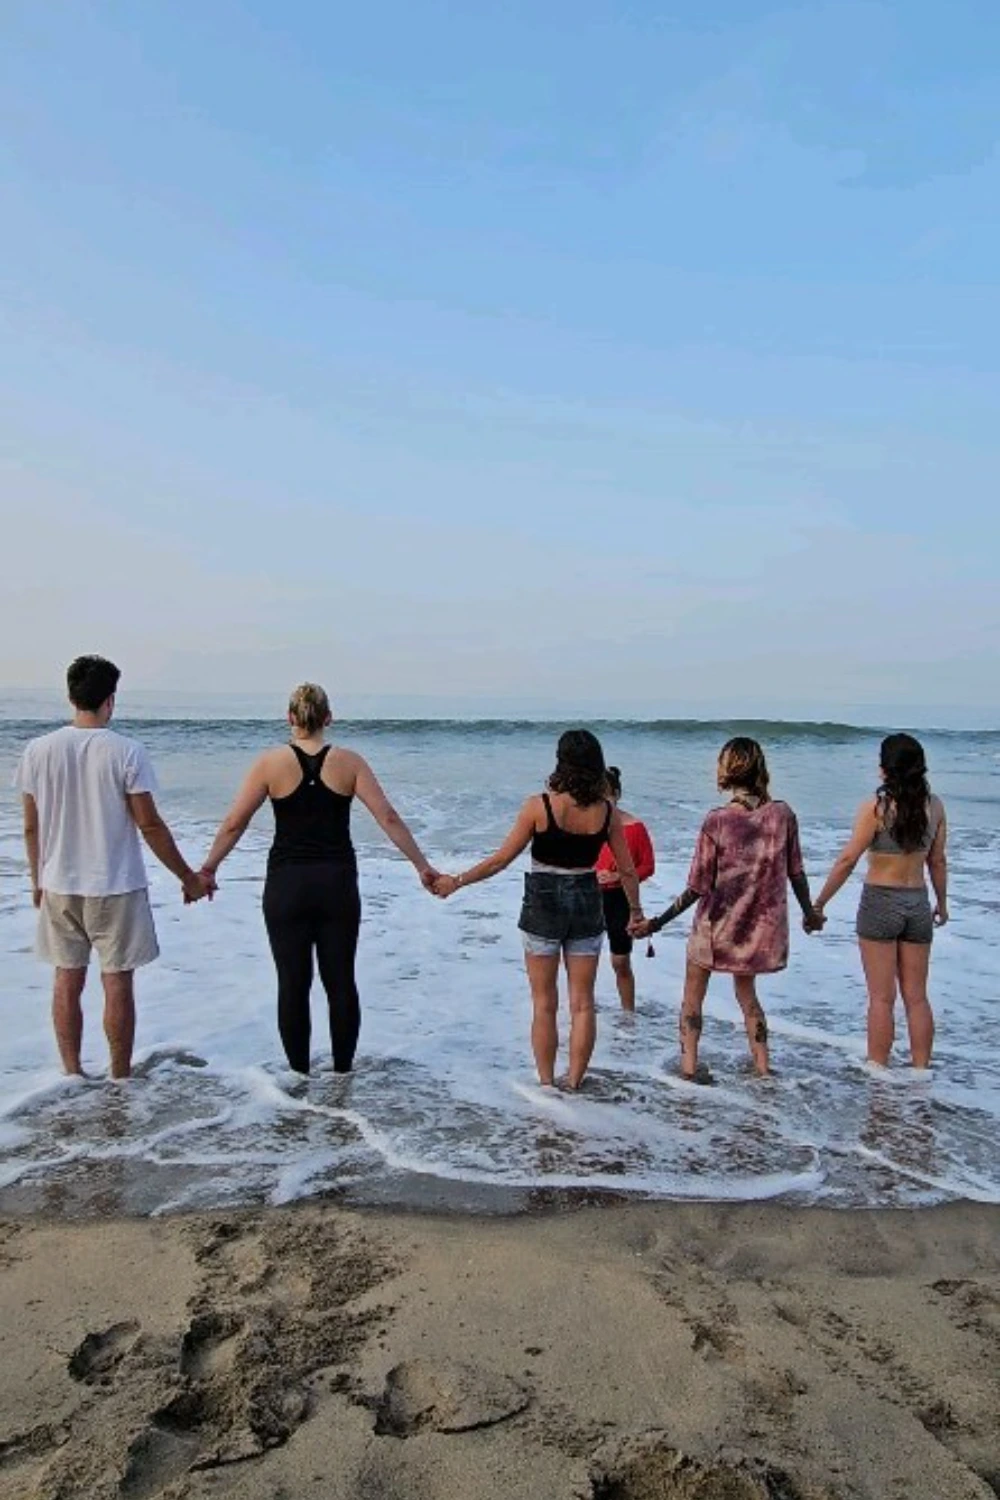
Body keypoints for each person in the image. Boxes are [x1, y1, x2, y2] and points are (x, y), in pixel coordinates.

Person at [199, 683, 440, 1077]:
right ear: (329, 718)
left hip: (286, 886)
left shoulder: (269, 764)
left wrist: (208, 869)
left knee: (292, 984)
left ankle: (298, 1081)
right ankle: (343, 1075)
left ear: (290, 718)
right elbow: (388, 817)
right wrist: (422, 866)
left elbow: (233, 823)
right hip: (337, 885)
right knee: (340, 981)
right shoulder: (349, 762)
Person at [14, 655, 211, 1080]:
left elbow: (31, 826)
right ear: (110, 700)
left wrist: (37, 879)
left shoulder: (37, 751)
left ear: (71, 696)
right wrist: (188, 878)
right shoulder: (126, 751)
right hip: (116, 884)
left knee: (66, 979)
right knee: (117, 981)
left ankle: (72, 1073)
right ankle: (119, 1078)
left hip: (59, 882)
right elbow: (149, 824)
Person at [432, 730, 643, 1090]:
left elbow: (500, 860)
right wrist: (635, 911)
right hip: (587, 901)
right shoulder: (606, 812)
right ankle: (574, 1082)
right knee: (583, 1003)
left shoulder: (539, 806)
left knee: (544, 1002)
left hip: (543, 903)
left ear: (560, 761)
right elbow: (626, 869)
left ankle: (546, 1084)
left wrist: (458, 881)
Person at [633, 737, 821, 1080]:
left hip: (715, 926)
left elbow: (697, 887)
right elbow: (796, 873)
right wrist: (810, 914)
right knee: (748, 997)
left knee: (693, 997)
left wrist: (656, 923)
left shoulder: (717, 821)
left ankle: (689, 1069)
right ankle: (762, 1069)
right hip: (758, 930)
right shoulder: (782, 815)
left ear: (726, 771)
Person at [812, 733, 947, 1070]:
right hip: (917, 902)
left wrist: (820, 903)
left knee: (881, 998)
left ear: (885, 769)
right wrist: (942, 904)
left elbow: (848, 860)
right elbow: (937, 861)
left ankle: (878, 1072)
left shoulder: (876, 808)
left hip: (880, 902)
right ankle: (921, 1072)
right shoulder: (935, 806)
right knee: (917, 997)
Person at [594, 765, 655, 1010]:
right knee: (583, 960)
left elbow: (648, 866)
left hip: (620, 897)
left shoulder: (634, 827)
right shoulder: (587, 825)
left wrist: (617, 876)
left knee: (620, 961)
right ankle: (582, 1010)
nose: (601, 801)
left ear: (617, 794)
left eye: (606, 795)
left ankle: (628, 1015)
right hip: (589, 896)